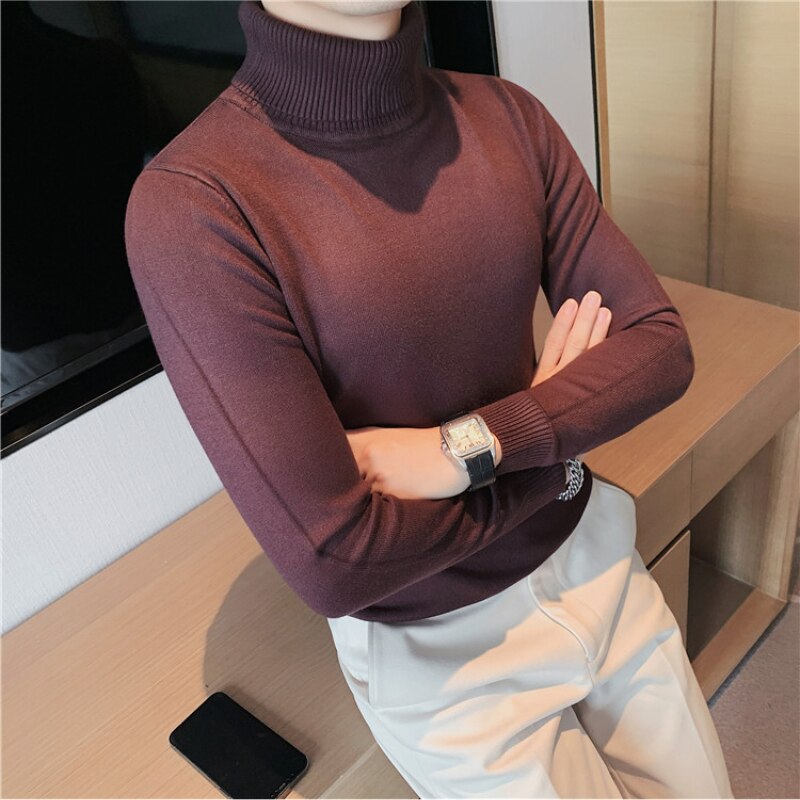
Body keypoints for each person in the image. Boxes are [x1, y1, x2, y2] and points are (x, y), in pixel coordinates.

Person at [124, 0, 735, 796]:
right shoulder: (195, 203)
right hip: (443, 652)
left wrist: (465, 450)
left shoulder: (508, 116)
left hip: (596, 559)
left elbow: (658, 347)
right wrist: (556, 445)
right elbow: (336, 563)